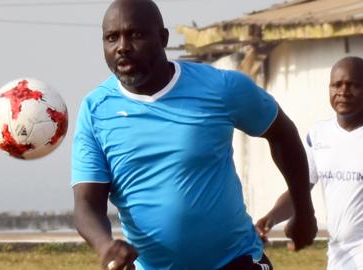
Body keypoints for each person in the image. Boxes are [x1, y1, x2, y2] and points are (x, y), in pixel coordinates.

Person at [71, 0, 317, 269]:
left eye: (136, 34)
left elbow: (283, 134)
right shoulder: (96, 110)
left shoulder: (221, 88)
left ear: (163, 38)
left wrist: (304, 211)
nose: (122, 47)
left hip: (236, 261)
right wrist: (105, 245)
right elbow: (86, 204)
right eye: (111, 38)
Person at [256, 56, 363, 270]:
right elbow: (300, 189)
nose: (343, 91)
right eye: (336, 85)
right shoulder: (319, 135)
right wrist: (270, 218)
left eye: (353, 85)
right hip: (339, 259)